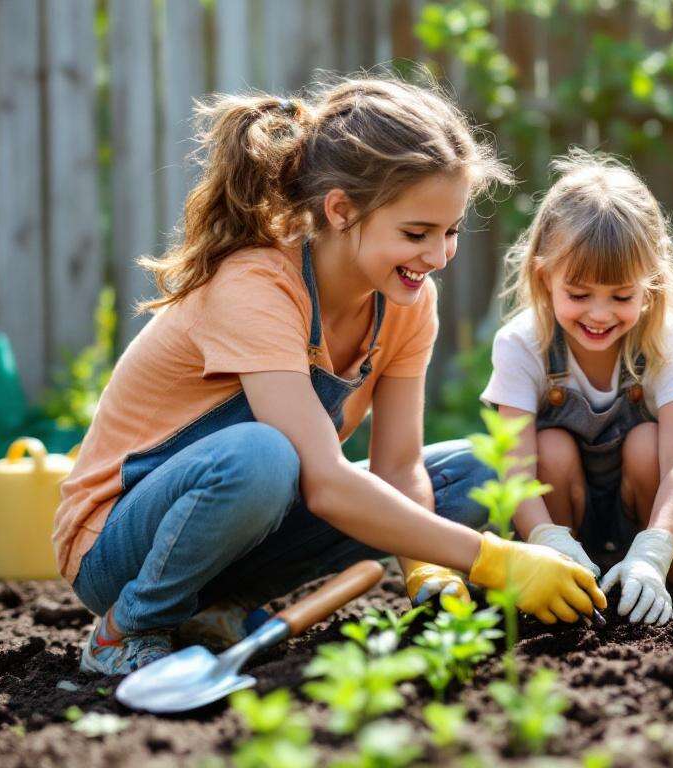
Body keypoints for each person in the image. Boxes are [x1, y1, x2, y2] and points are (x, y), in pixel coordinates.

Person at [53, 76, 606, 676]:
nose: (439, 255)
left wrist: (430, 571)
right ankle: (129, 626)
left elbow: (400, 468)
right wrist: (497, 561)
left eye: (450, 232)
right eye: (416, 234)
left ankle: (216, 609)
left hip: (243, 531)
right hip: (116, 545)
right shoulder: (256, 286)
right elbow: (324, 481)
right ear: (341, 210)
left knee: (474, 473)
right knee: (262, 455)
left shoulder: (408, 302)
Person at [475, 151, 673, 625]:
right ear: (545, 278)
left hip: (649, 505)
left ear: (649, 284)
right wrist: (547, 540)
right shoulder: (522, 344)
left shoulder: (662, 340)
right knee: (551, 447)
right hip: (568, 507)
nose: (600, 314)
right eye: (580, 295)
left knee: (650, 450)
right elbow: (516, 469)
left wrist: (655, 548)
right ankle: (573, 566)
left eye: (622, 296)